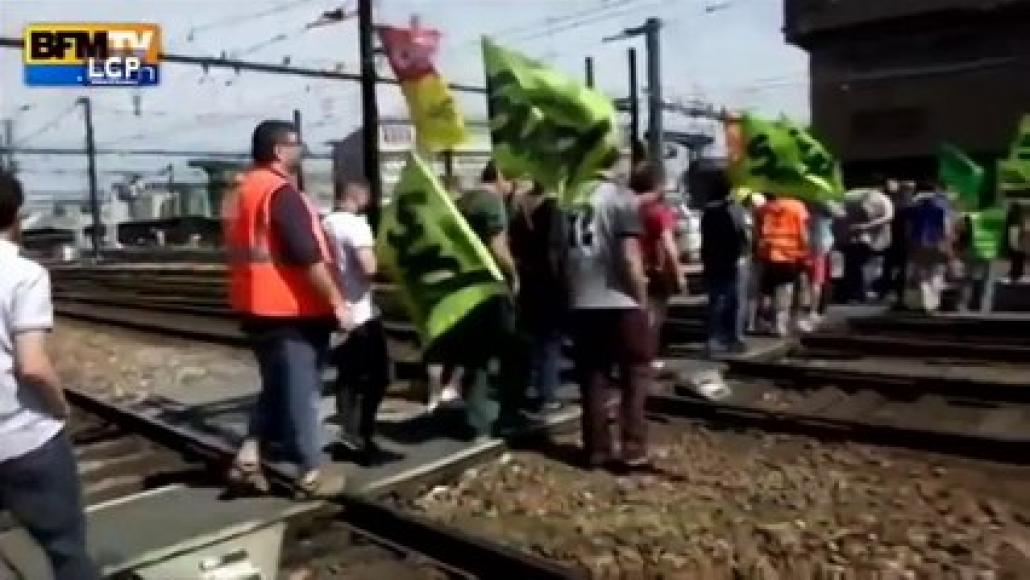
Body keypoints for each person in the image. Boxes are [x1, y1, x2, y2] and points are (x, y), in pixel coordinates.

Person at [226, 120, 349, 497]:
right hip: (291, 309)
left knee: (278, 386)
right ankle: (310, 472)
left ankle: (248, 457)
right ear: (280, 151)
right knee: (301, 392)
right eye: (297, 146)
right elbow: (305, 254)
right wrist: (336, 302)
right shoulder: (280, 193)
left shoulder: (243, 192)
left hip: (255, 306)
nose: (302, 152)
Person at [0, 170, 98, 580]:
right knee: (67, 551)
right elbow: (33, 366)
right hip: (25, 438)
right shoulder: (23, 274)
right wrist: (60, 408)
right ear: (16, 216)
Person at [566, 153, 653, 469]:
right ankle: (633, 446)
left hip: (581, 299)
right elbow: (629, 257)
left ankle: (596, 448)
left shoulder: (570, 201)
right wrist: (641, 297)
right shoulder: (620, 198)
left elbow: (557, 254)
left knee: (593, 375)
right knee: (635, 371)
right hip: (620, 299)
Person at [434, 161, 529, 437]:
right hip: (491, 287)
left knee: (475, 355)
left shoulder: (464, 201)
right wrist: (514, 274)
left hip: (466, 286)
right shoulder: (491, 203)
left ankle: (474, 419)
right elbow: (497, 246)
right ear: (499, 176)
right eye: (511, 181)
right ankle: (508, 414)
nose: (512, 188)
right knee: (514, 349)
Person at [322, 181, 391, 465]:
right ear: (358, 196)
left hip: (337, 311)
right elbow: (368, 267)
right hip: (361, 314)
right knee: (379, 375)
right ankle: (362, 433)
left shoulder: (325, 223)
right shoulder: (356, 226)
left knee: (347, 376)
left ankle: (348, 434)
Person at [509, 181, 568, 413]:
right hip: (548, 283)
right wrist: (562, 282)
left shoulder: (519, 211)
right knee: (550, 342)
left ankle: (526, 389)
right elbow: (556, 249)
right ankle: (547, 394)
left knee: (531, 340)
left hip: (526, 280)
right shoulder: (553, 211)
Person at [630, 163, 685, 364]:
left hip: (628, 267)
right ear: (658, 184)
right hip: (653, 270)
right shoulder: (659, 211)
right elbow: (668, 245)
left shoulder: (626, 206)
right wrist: (678, 274)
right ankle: (647, 357)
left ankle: (631, 358)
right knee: (654, 317)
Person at [700, 169, 748, 354]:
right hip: (732, 260)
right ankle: (734, 338)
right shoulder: (734, 209)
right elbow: (742, 234)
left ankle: (715, 337)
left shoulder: (708, 211)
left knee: (716, 300)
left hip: (712, 259)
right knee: (734, 301)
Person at [756, 194, 810, 337]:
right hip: (789, 255)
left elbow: (757, 233)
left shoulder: (763, 208)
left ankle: (762, 321)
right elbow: (803, 232)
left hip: (768, 254)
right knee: (784, 290)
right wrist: (805, 252)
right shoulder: (797, 206)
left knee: (767, 289)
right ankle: (779, 326)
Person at [842, 182, 895, 302]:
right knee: (858, 263)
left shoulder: (883, 201)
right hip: (860, 235)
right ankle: (859, 291)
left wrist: (865, 226)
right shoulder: (853, 198)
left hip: (865, 235)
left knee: (858, 263)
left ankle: (859, 291)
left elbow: (888, 217)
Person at [904, 183, 952, 313]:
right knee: (935, 274)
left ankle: (922, 302)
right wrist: (948, 247)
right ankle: (932, 303)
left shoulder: (914, 207)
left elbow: (908, 228)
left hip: (918, 243)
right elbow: (946, 229)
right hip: (937, 243)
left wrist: (909, 243)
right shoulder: (943, 207)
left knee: (921, 274)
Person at [799, 200, 842, 332]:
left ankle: (807, 309)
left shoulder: (804, 210)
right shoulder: (820, 212)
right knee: (816, 281)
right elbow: (840, 214)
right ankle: (813, 311)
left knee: (808, 280)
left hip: (807, 247)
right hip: (819, 248)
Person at [958, 204, 1006, 313]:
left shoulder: (972, 214)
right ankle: (985, 306)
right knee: (988, 280)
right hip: (990, 249)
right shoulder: (999, 216)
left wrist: (961, 248)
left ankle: (962, 304)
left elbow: (964, 232)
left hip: (973, 249)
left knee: (968, 279)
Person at [877, 180, 915, 304]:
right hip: (900, 241)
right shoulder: (909, 205)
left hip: (894, 240)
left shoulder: (894, 203)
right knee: (898, 267)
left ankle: (886, 291)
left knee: (890, 267)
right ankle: (896, 292)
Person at [1007, 201, 1030, 282]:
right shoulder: (1020, 219)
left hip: (1015, 236)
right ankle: (1017, 272)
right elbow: (1023, 231)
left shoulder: (1012, 218)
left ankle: (1015, 272)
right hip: (1018, 239)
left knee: (1016, 257)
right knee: (1018, 257)